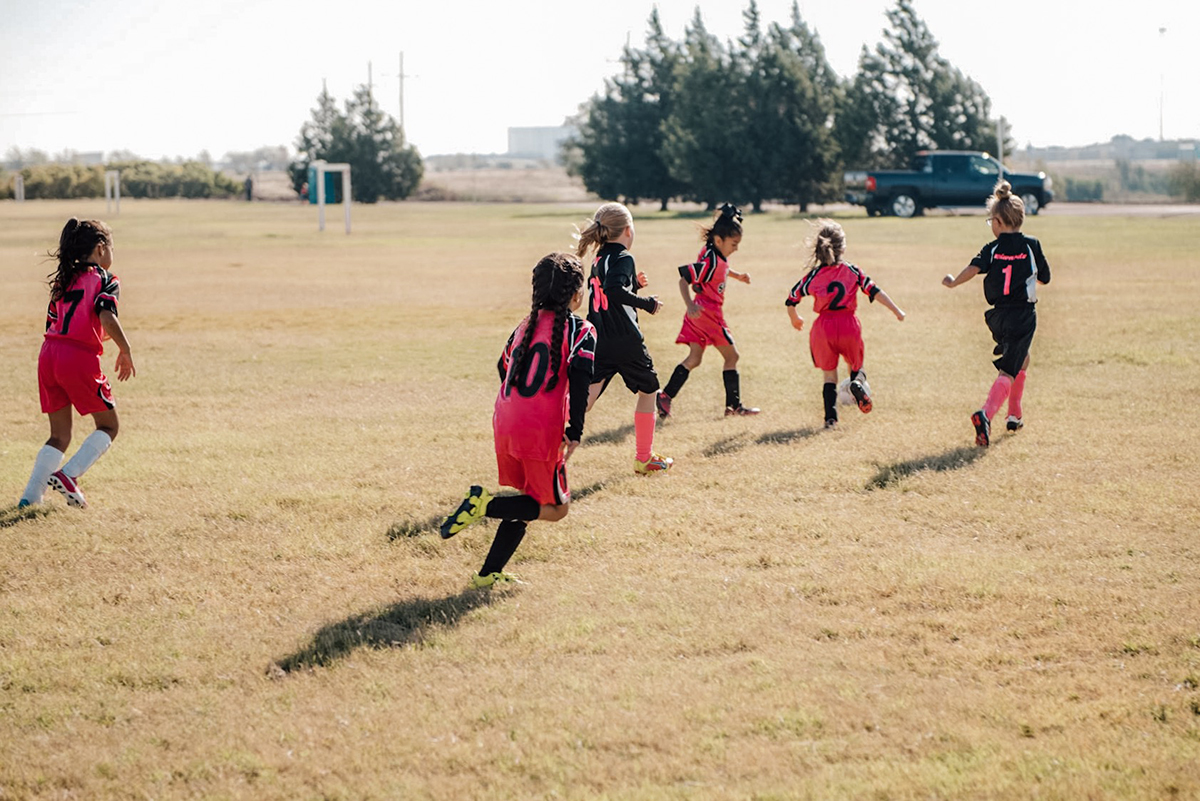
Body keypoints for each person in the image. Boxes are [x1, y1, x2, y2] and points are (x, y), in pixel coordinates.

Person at [440, 252, 596, 589]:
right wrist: (575, 431)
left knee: (527, 499)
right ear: (576, 294)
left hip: (506, 419)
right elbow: (582, 382)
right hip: (540, 429)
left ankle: (487, 575)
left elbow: (503, 367)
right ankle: (483, 505)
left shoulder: (524, 327)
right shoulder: (581, 330)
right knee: (555, 508)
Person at [18, 218, 136, 509]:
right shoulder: (106, 278)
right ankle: (69, 475)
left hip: (49, 354)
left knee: (59, 434)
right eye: (111, 247)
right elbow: (107, 316)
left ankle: (30, 498)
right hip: (77, 358)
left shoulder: (63, 279)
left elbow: (59, 322)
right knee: (108, 426)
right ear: (100, 249)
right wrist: (126, 349)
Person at [943, 180, 1051, 447]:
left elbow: (973, 268)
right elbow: (1045, 278)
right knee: (1008, 370)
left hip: (997, 318)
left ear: (1000, 222)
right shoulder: (1031, 245)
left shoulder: (992, 249)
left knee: (1021, 358)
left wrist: (954, 282)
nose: (990, 225)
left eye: (991, 220)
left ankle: (1014, 414)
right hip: (1023, 316)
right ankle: (986, 414)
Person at [575, 202, 672, 474]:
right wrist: (646, 302)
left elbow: (605, 291)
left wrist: (635, 284)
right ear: (628, 230)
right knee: (649, 389)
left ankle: (545, 437)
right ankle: (644, 458)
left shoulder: (598, 260)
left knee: (586, 400)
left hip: (599, 338)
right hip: (626, 340)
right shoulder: (624, 258)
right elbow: (615, 291)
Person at [785, 218, 905, 429]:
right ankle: (857, 383)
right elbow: (875, 291)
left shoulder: (813, 275)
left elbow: (791, 298)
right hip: (848, 324)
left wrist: (794, 318)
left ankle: (830, 420)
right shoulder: (853, 271)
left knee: (829, 375)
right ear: (842, 247)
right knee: (856, 366)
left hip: (823, 328)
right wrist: (896, 310)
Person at [656, 203, 759, 420]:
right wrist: (689, 305)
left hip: (699, 315)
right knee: (732, 356)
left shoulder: (714, 254)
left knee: (694, 358)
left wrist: (738, 276)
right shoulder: (710, 260)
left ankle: (665, 396)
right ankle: (734, 407)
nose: (736, 248)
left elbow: (722, 268)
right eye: (734, 244)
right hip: (708, 314)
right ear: (719, 240)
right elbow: (684, 279)